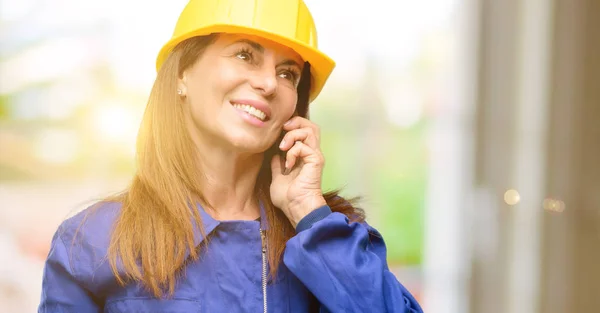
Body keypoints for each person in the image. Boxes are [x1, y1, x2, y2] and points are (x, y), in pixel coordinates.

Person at [38, 0, 424, 312]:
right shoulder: (92, 242)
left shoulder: (326, 235)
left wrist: (308, 210)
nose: (269, 83)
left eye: (288, 74)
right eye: (244, 55)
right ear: (182, 75)